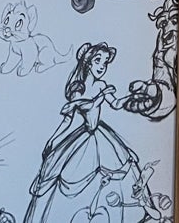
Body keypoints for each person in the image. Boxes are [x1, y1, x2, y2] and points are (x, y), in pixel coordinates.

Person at [23, 43, 145, 223]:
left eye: (105, 62)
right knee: (70, 174)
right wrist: (53, 140)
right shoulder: (77, 87)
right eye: (98, 60)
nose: (102, 66)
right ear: (88, 62)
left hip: (102, 135)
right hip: (84, 137)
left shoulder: (102, 85)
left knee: (117, 169)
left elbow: (116, 104)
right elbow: (72, 116)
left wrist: (133, 96)